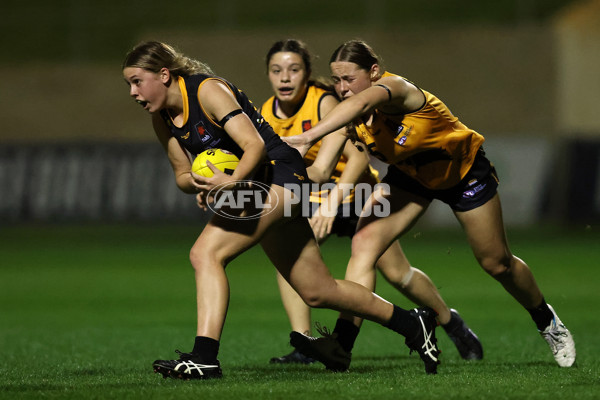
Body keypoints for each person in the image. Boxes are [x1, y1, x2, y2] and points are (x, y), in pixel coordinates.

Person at [121, 40, 444, 380]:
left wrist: (230, 183)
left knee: (205, 254)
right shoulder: (162, 119)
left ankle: (204, 357)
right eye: (129, 83)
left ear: (164, 74)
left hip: (279, 172)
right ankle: (413, 323)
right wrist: (203, 182)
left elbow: (254, 145)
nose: (132, 91)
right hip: (253, 185)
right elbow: (182, 176)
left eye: (137, 81)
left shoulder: (207, 90)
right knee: (318, 290)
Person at [282, 40, 576, 369]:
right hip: (411, 178)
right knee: (364, 244)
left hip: (463, 173)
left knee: (496, 263)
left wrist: (308, 135)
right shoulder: (347, 118)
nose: (342, 88)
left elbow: (365, 99)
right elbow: (320, 172)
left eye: (349, 79)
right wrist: (268, 173)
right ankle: (342, 345)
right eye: (336, 81)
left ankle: (546, 321)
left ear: (374, 72)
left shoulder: (395, 88)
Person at [261, 39, 483, 367]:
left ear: (307, 74)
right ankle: (307, 343)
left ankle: (448, 321)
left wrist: (333, 203)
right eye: (277, 71)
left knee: (398, 274)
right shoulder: (266, 111)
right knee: (291, 257)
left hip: (356, 195)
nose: (285, 78)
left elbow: (356, 159)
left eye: (294, 70)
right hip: (319, 198)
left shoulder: (325, 103)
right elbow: (317, 171)